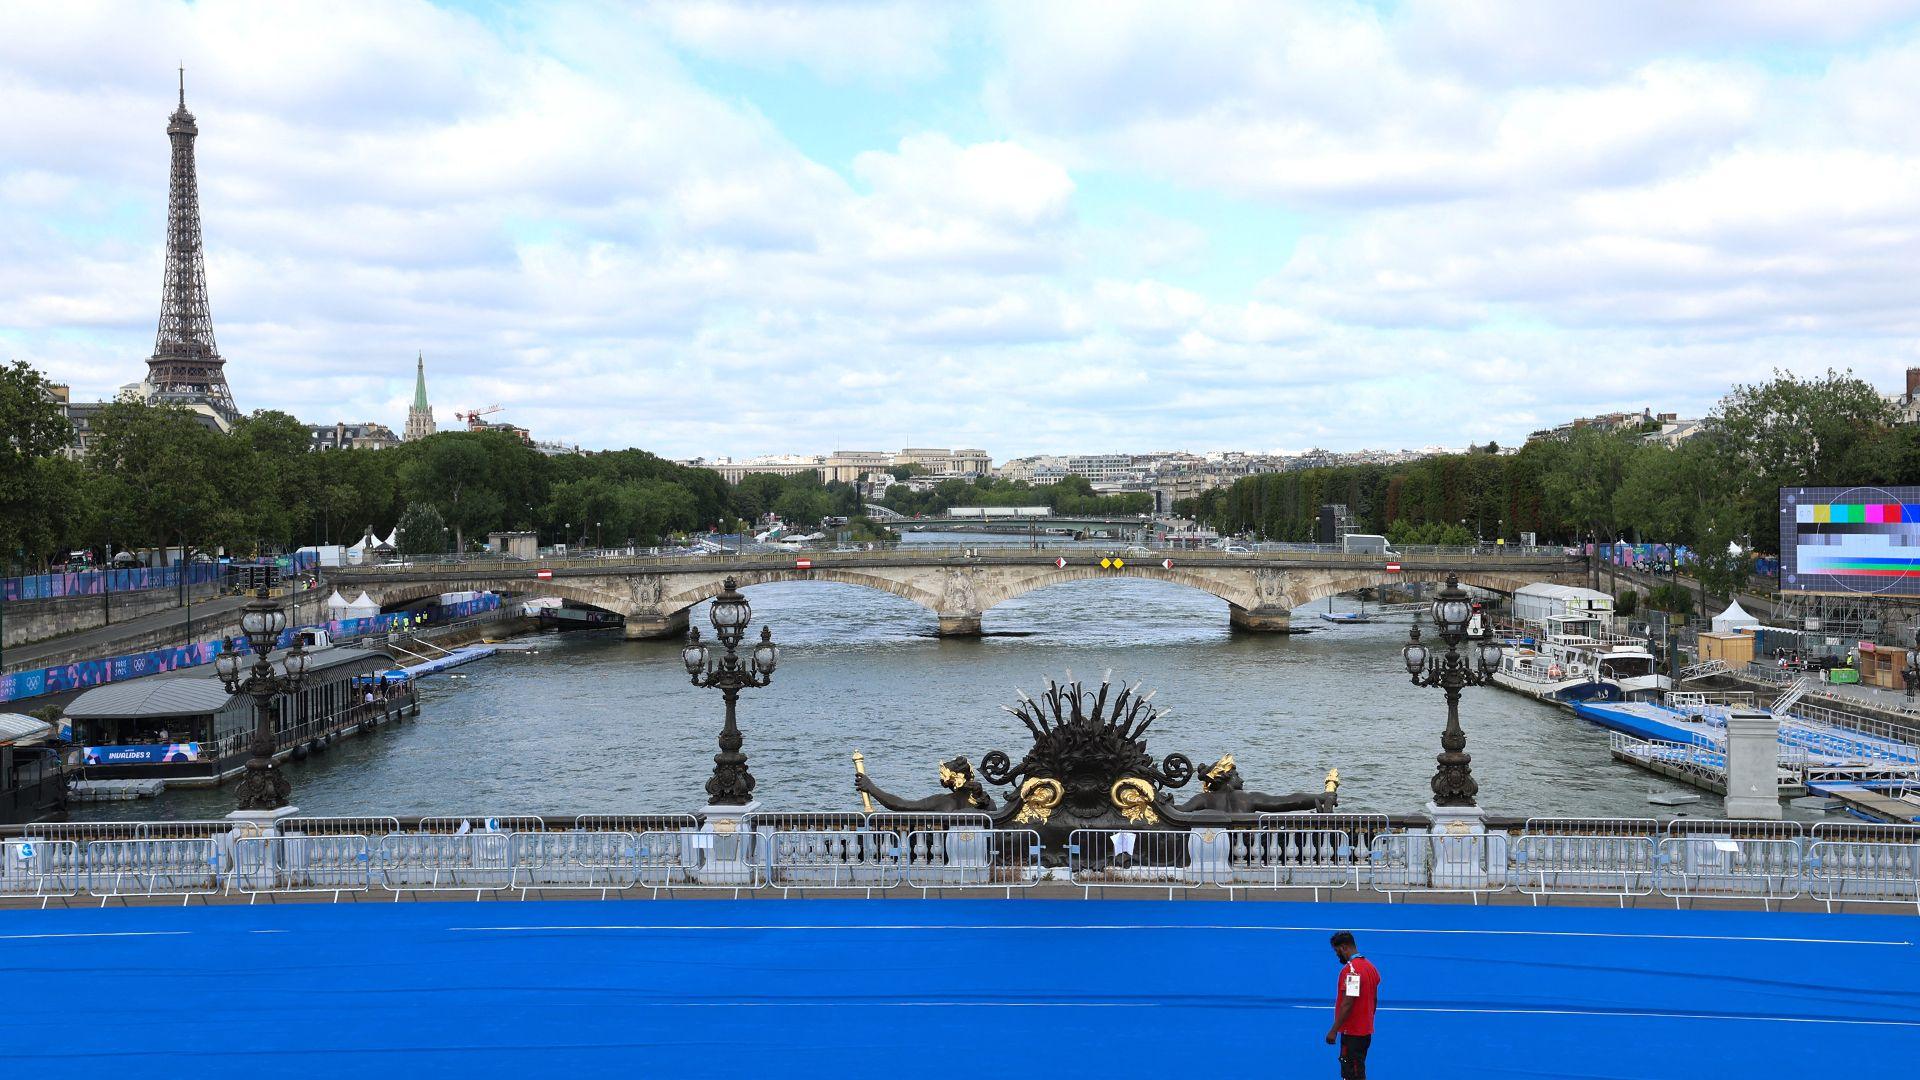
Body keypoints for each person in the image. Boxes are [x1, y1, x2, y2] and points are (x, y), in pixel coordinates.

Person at [1325, 930, 1380, 1079]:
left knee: (1352, 1073)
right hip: (1365, 1031)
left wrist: (1334, 1030)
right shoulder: (1371, 967)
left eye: (1337, 951)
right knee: (1358, 1068)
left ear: (1344, 948)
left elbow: (1347, 1003)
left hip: (1353, 1033)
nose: (1337, 955)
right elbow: (1374, 1000)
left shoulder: (1352, 971)